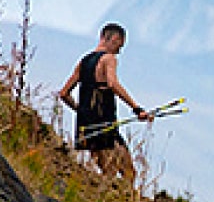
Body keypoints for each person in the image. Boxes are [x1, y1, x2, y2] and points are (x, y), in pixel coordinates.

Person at [58, 23, 152, 183]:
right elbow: (112, 83)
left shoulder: (84, 61)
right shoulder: (109, 58)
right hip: (104, 123)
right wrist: (137, 109)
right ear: (115, 39)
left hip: (87, 126)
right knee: (123, 173)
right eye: (120, 46)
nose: (119, 51)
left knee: (114, 172)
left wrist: (81, 111)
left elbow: (64, 93)